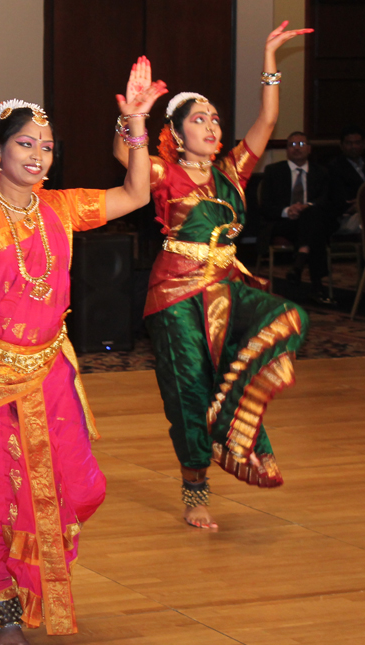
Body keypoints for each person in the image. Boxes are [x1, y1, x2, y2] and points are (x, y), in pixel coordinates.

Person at [0, 58, 167, 645]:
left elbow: (136, 192)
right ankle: (5, 613)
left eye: (48, 147)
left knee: (75, 488)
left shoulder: (62, 207)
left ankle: (37, 584)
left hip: (49, 370)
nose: (38, 155)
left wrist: (133, 123)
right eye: (25, 143)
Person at [114, 23, 312, 529]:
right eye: (199, 120)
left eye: (216, 119)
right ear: (177, 134)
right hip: (175, 294)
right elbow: (124, 158)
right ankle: (195, 491)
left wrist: (270, 58)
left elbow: (269, 119)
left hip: (224, 287)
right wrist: (131, 117)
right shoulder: (163, 173)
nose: (212, 126)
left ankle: (231, 421)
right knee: (188, 392)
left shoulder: (232, 171)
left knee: (289, 317)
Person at [260, 131, 330, 302]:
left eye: (301, 145)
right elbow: (265, 205)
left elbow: (327, 201)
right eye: (292, 145)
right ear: (286, 150)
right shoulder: (273, 171)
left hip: (310, 221)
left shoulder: (321, 172)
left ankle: (299, 263)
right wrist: (287, 210)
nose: (296, 149)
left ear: (309, 149)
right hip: (284, 223)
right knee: (315, 228)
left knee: (311, 215)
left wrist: (307, 207)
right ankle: (316, 284)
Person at [328, 125, 365, 235]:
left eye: (357, 143)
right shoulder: (334, 168)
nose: (354, 146)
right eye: (349, 143)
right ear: (342, 145)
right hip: (348, 218)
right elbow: (341, 201)